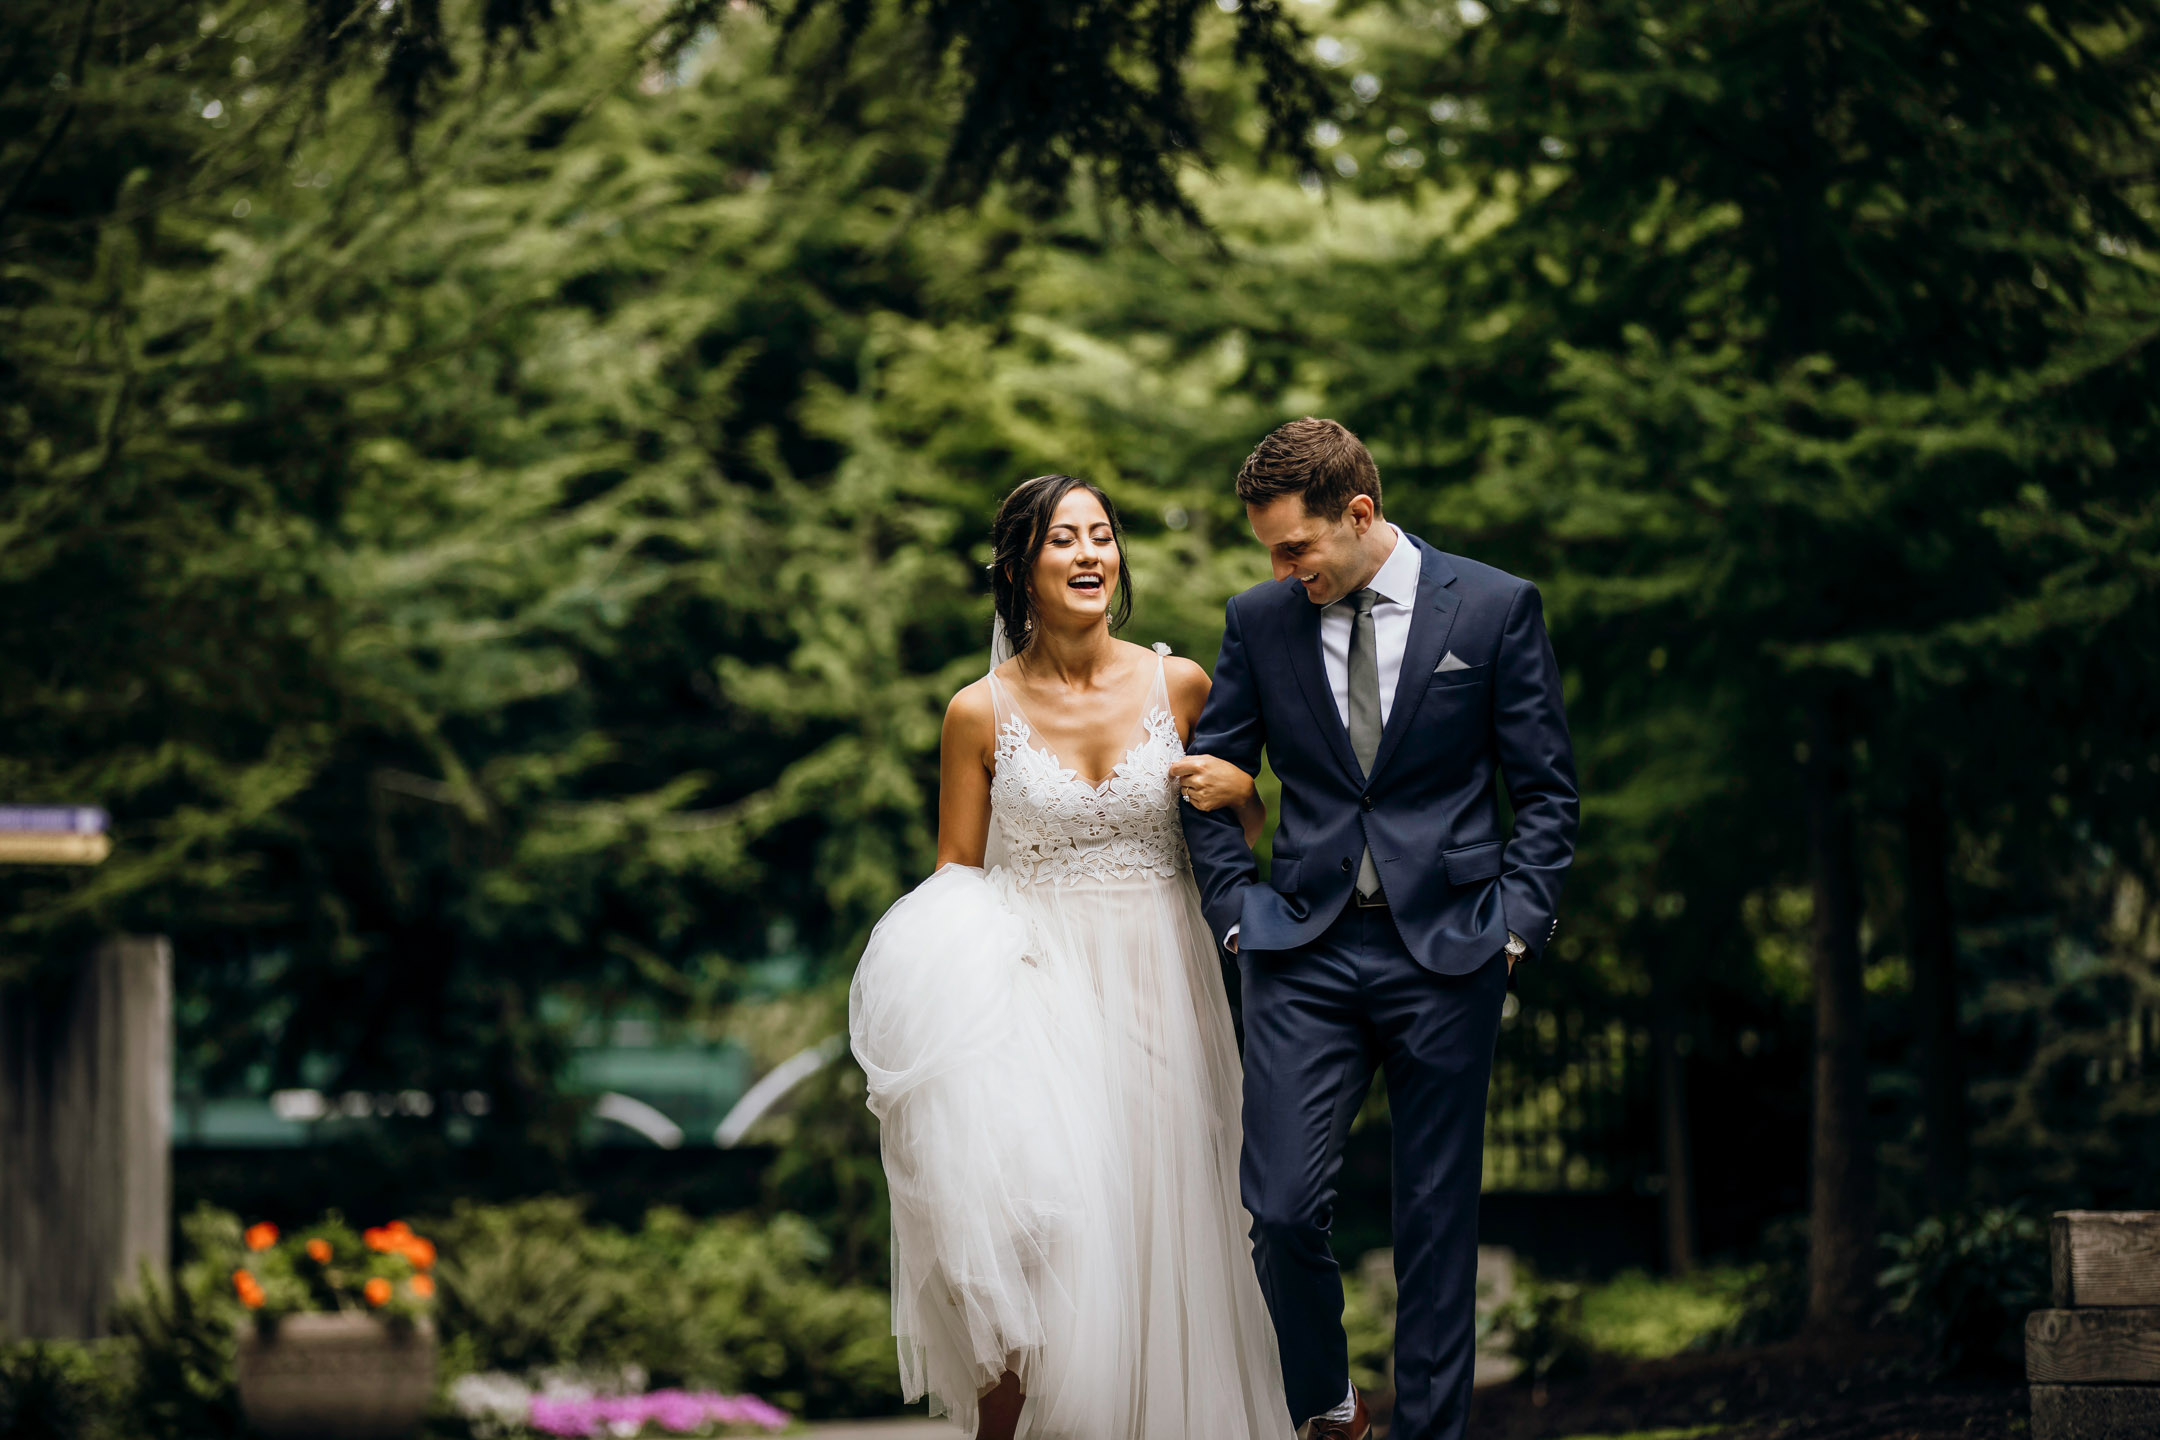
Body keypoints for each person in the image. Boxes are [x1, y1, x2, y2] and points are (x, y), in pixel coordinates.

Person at [849, 474, 1295, 1440]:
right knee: (1042, 1244)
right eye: (1065, 539)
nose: (1091, 554)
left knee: (1159, 1231)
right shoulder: (978, 711)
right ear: (1020, 569)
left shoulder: (1180, 685)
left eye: (1102, 535)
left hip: (1163, 993)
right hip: (1035, 999)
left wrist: (1245, 793)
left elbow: (1238, 836)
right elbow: (955, 880)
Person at [1181, 419, 1579, 1440]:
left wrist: (1515, 930)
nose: (1282, 569)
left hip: (1452, 952)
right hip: (1302, 952)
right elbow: (1211, 786)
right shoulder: (1260, 622)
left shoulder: (1493, 608)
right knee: (1277, 1208)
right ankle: (1330, 1407)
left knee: (1437, 1225)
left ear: (1360, 515)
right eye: (1269, 551)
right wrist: (1235, 917)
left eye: (1296, 547)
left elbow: (1545, 791)